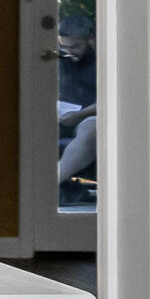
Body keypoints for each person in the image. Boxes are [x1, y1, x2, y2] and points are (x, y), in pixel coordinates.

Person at [55, 10, 98, 192]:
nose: (69, 52)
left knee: (91, 130)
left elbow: (112, 99)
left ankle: (48, 185)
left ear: (91, 40)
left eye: (75, 47)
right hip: (62, 116)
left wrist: (79, 115)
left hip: (91, 116)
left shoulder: (104, 61)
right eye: (64, 47)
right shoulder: (59, 59)